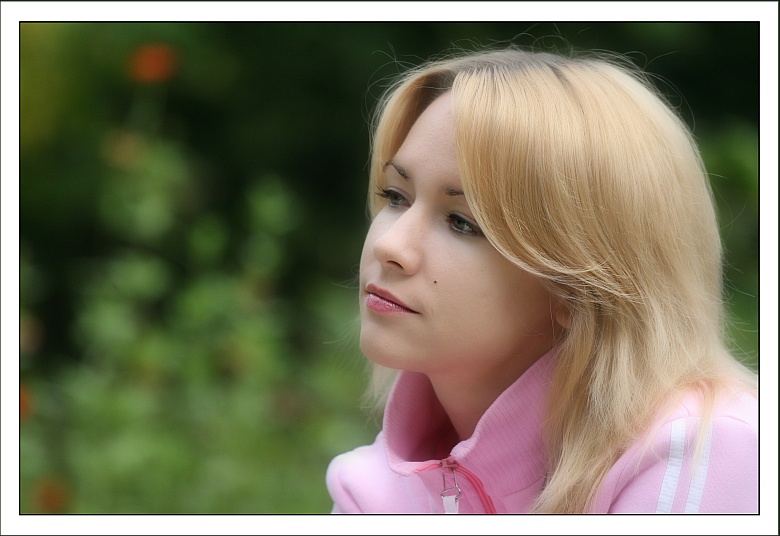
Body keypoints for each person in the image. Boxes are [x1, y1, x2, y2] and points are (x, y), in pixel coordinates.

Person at [325, 46, 758, 514]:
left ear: (579, 289)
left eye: (462, 222)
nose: (390, 246)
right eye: (396, 196)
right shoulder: (368, 493)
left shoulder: (700, 454)